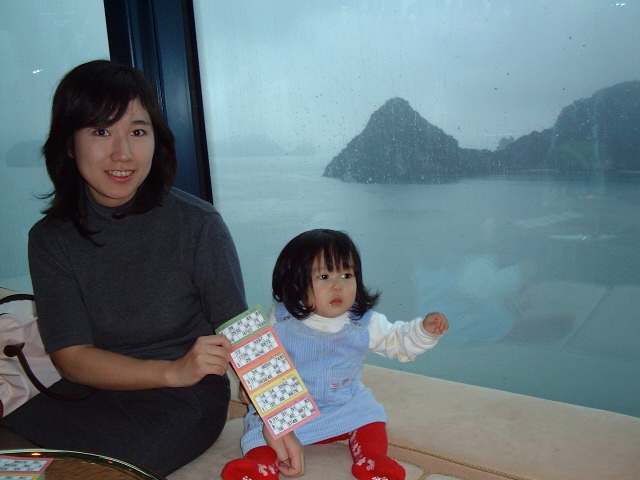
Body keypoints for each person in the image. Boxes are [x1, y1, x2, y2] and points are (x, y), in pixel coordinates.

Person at [0, 60, 247, 476]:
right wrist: (167, 370)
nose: (123, 153)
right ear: (68, 144)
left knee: (83, 474)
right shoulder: (50, 239)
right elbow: (72, 357)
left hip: (182, 398)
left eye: (137, 131)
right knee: (12, 461)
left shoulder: (197, 224)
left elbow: (243, 330)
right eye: (101, 131)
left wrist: (281, 422)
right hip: (89, 390)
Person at [222, 229, 449, 480]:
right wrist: (249, 386)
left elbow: (398, 341)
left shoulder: (363, 323)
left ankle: (372, 460)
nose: (338, 285)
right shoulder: (281, 320)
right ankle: (259, 466)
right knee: (258, 432)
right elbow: (260, 363)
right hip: (288, 410)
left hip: (343, 405)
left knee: (370, 415)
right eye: (324, 276)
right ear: (295, 282)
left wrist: (423, 331)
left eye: (346, 275)